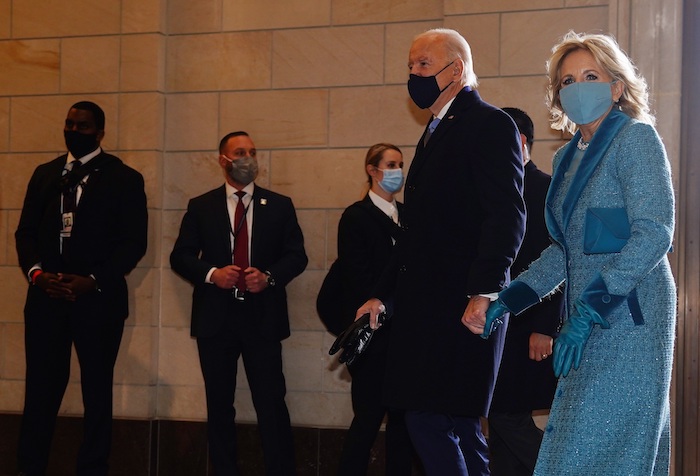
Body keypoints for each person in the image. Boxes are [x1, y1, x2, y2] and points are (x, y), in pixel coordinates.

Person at [471, 31, 676, 475]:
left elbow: (654, 233)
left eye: (590, 75)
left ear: (616, 86)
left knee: (609, 448)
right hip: (587, 321)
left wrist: (587, 313)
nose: (576, 87)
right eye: (566, 81)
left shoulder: (636, 139)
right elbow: (562, 253)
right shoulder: (566, 158)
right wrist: (508, 300)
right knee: (573, 448)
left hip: (632, 320)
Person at [357, 28, 526, 476]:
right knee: (452, 421)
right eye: (410, 65)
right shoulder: (436, 130)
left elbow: (506, 215)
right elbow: (418, 233)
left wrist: (486, 290)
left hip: (462, 303)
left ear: (457, 68)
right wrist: (382, 294)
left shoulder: (489, 123)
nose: (414, 74)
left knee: (430, 416)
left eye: (424, 64)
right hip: (427, 306)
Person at [14, 101, 148, 476]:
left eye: (83, 125)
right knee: (40, 390)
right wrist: (38, 275)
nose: (74, 130)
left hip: (98, 300)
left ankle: (92, 468)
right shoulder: (45, 174)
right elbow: (25, 233)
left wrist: (94, 280)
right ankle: (30, 466)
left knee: (97, 391)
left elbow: (133, 242)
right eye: (69, 123)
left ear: (100, 133)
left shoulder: (124, 178)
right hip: (46, 299)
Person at [170, 131, 308, 475]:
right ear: (223, 160)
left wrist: (269, 277)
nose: (248, 158)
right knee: (219, 406)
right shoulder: (201, 206)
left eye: (252, 151)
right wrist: (212, 273)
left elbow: (297, 256)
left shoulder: (279, 205)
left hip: (263, 319)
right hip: (216, 320)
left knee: (272, 405)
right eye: (240, 152)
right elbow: (181, 256)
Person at [486, 107, 564, 476]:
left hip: (530, 325)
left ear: (520, 142)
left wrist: (545, 327)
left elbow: (559, 259)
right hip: (497, 323)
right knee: (501, 421)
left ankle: (559, 470)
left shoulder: (547, 188)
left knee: (501, 412)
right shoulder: (495, 189)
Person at [334, 144, 414, 476]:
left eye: (400, 164)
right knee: (367, 420)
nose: (397, 171)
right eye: (390, 164)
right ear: (372, 170)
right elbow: (358, 276)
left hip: (406, 338)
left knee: (403, 423)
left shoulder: (409, 216)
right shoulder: (356, 216)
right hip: (375, 335)